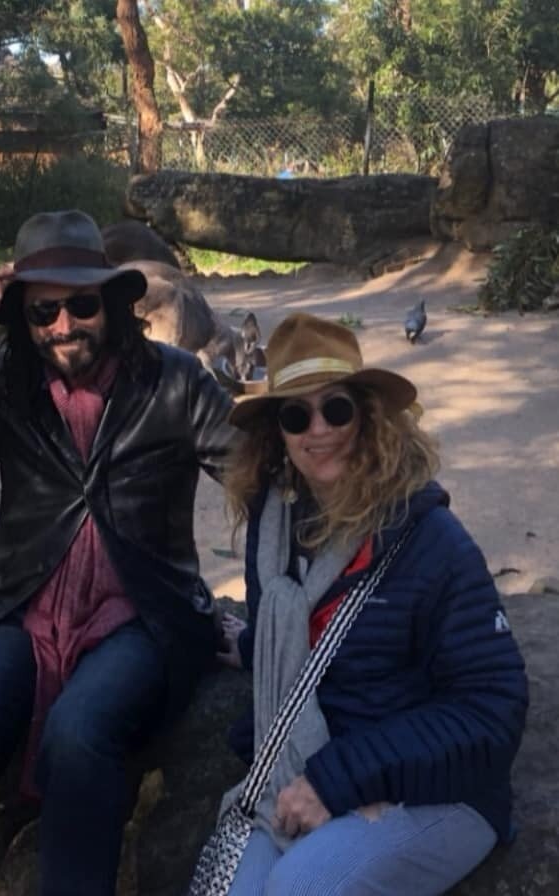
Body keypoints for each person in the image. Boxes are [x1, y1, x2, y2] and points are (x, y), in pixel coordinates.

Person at [0, 209, 236, 895]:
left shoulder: (175, 381)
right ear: (24, 319)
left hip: (143, 618)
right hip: (25, 609)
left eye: (81, 305)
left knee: (79, 732)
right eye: (43, 312)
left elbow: (258, 470)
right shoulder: (7, 386)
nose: (63, 325)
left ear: (113, 304)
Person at [214, 312, 528, 896]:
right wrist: (254, 645)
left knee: (300, 887)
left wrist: (338, 780)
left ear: (368, 415)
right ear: (277, 434)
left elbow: (491, 710)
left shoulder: (433, 542)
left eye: (336, 409)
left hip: (435, 790)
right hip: (302, 771)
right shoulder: (274, 529)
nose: (318, 430)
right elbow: (305, 642)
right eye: (295, 415)